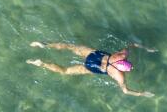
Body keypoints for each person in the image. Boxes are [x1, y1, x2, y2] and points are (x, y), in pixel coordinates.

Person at [27, 40, 155, 97]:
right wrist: (141, 93)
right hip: (93, 67)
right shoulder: (119, 75)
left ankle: (45, 45)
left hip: (95, 55)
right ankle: (41, 64)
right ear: (123, 69)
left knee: (69, 47)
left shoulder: (121, 55)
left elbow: (131, 44)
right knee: (65, 71)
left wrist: (145, 47)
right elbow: (125, 91)